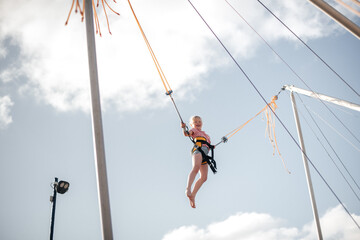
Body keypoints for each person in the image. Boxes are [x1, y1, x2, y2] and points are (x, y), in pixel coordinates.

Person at [181, 115, 211, 208]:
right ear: (191, 124)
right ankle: (188, 189)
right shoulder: (194, 130)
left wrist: (212, 146)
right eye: (195, 122)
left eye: (199, 121)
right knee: (196, 167)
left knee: (204, 177)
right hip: (198, 150)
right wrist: (183, 128)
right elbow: (187, 134)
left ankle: (193, 195)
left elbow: (209, 145)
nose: (197, 123)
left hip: (204, 154)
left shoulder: (206, 135)